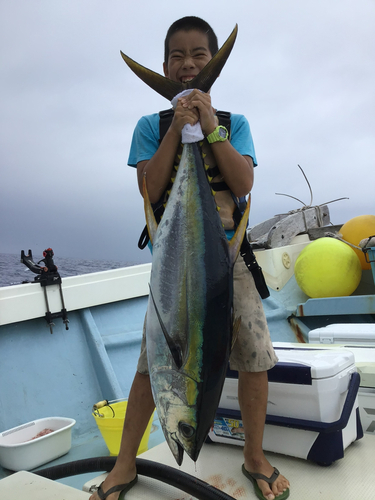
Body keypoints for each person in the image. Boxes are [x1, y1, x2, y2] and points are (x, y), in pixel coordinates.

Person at [90, 16, 290, 500]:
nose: (188, 65)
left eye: (199, 55)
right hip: (175, 266)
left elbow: (242, 185)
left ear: (210, 59)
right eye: (177, 57)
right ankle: (125, 465)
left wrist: (211, 128)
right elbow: (149, 187)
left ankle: (254, 457)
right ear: (163, 65)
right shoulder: (149, 127)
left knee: (256, 359)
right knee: (148, 364)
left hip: (229, 261)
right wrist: (176, 129)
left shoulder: (234, 123)